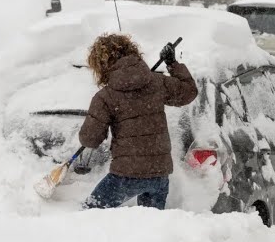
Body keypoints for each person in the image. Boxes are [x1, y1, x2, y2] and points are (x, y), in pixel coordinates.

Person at [78, 33, 198, 210]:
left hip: (126, 175)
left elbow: (90, 139)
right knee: (150, 226)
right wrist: (172, 63)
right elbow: (188, 92)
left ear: (101, 66)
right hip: (159, 174)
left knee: (88, 215)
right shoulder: (157, 83)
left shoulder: (105, 97)